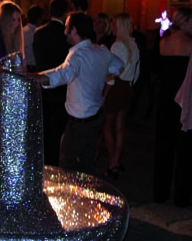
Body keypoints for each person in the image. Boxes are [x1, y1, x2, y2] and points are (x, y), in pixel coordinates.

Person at [30, 12, 122, 174]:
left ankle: (72, 197)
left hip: (81, 120)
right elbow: (118, 66)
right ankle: (87, 194)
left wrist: (28, 78)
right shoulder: (101, 51)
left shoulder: (77, 56)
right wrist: (101, 73)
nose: (64, 31)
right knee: (87, 162)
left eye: (66, 27)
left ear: (73, 30)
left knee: (67, 163)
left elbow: (59, 75)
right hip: (96, 115)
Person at [153, 7, 192, 207]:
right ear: (185, 22)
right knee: (185, 149)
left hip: (165, 99)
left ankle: (160, 192)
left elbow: (159, 71)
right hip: (185, 100)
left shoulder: (163, 43)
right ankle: (182, 196)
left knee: (163, 147)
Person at [33, 0, 70, 165]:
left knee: (43, 129)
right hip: (61, 88)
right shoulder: (66, 36)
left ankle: (41, 162)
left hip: (42, 85)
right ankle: (53, 163)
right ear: (65, 13)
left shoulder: (39, 33)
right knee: (56, 132)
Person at [102, 13, 140, 178]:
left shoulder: (117, 46)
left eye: (116, 24)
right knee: (120, 125)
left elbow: (112, 72)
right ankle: (116, 161)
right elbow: (137, 70)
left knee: (107, 125)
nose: (113, 27)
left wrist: (105, 93)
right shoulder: (134, 46)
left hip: (116, 86)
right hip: (128, 86)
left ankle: (112, 162)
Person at [23, 5, 44, 71]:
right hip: (32, 67)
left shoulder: (22, 31)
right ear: (39, 19)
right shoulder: (37, 34)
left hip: (24, 66)